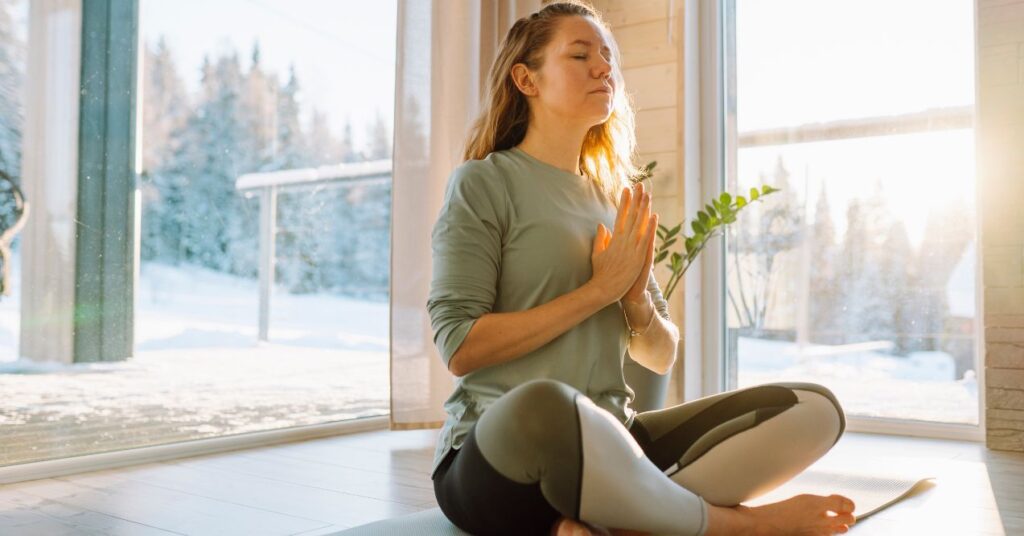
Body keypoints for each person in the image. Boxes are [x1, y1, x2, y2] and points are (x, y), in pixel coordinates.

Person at [426, 2, 857, 534]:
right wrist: (596, 291)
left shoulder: (611, 198)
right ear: (526, 79)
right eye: (580, 55)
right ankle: (737, 526)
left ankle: (604, 515)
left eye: (608, 57)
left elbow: (661, 353)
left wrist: (633, 303)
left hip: (615, 442)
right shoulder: (483, 183)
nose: (604, 68)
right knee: (547, 405)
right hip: (500, 459)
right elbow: (460, 346)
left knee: (811, 409)